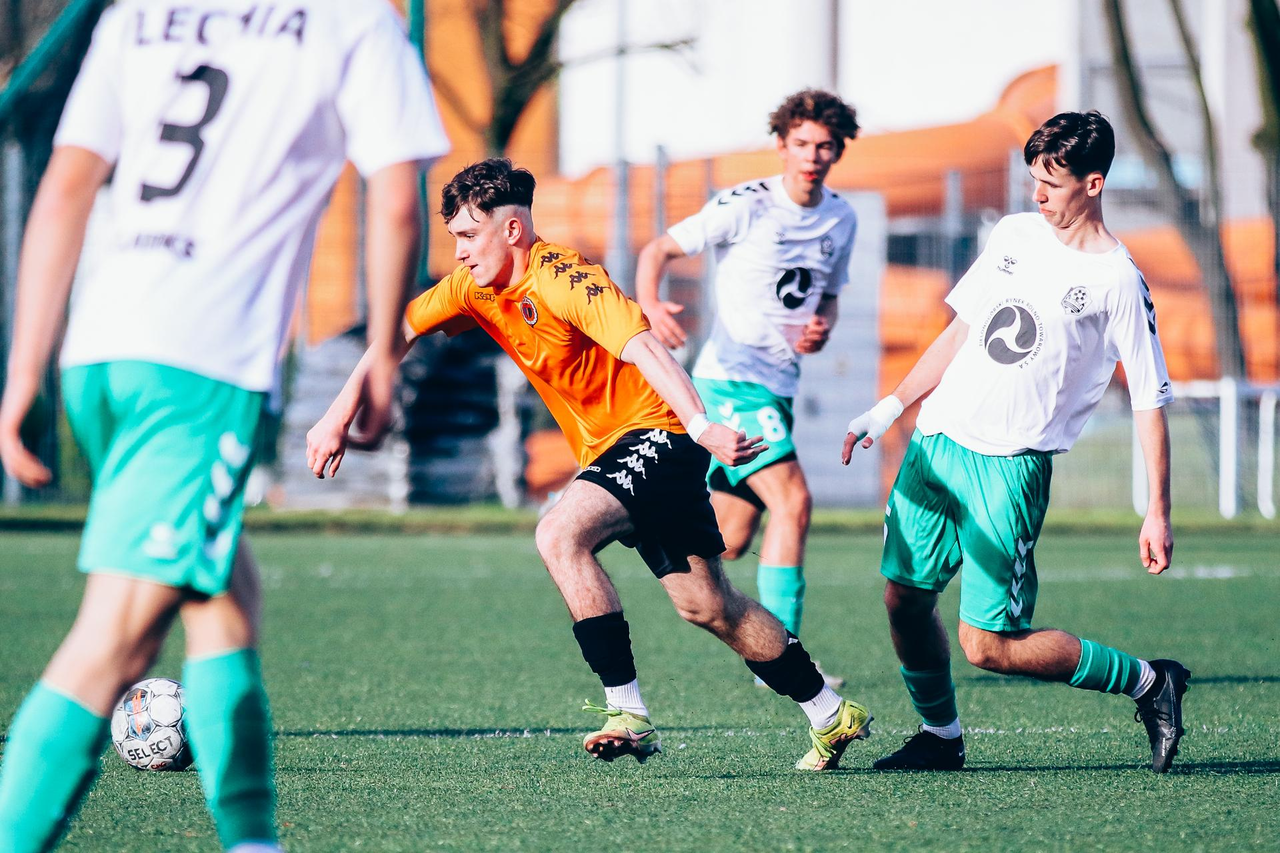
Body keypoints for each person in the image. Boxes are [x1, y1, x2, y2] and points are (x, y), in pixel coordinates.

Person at [0, 1, 449, 849]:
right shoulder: (354, 21)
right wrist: (384, 359)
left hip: (101, 351)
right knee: (113, 641)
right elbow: (396, 197)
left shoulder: (140, 14)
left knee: (224, 603)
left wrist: (25, 369)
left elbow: (64, 186)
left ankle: (253, 840)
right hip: (200, 364)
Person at [307, 158, 873, 771]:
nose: (461, 252)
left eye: (469, 235)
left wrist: (700, 425)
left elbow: (646, 347)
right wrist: (338, 413)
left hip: (657, 434)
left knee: (559, 532)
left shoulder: (566, 279)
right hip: (620, 451)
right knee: (709, 606)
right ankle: (829, 711)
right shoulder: (472, 287)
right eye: (455, 238)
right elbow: (397, 332)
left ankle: (627, 712)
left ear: (512, 229)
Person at [842, 111, 1188, 773]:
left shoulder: (1118, 279)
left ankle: (1151, 682)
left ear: (1093, 183)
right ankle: (940, 736)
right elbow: (960, 330)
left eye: (1052, 183)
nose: (1038, 194)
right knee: (903, 599)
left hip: (1008, 470)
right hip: (936, 444)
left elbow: (1150, 399)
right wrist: (888, 409)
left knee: (988, 645)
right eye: (1034, 179)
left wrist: (1158, 511)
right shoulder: (1014, 233)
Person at [635, 90, 859, 688]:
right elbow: (658, 249)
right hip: (733, 382)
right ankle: (785, 662)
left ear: (838, 151)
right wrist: (650, 302)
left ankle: (630, 514)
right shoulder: (747, 204)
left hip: (777, 387)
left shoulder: (842, 218)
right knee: (793, 503)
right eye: (802, 143)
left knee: (729, 541)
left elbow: (827, 297)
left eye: (825, 146)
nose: (812, 156)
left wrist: (821, 326)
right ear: (781, 145)